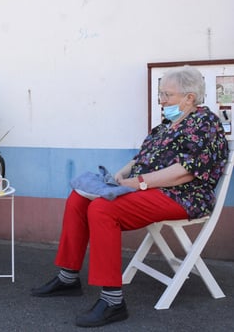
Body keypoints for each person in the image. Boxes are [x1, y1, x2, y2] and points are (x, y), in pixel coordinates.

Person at [30, 66, 228, 327]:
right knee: (80, 197)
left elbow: (184, 173)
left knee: (103, 209)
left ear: (189, 98)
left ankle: (113, 301)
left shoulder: (205, 123)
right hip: (151, 189)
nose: (162, 100)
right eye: (161, 94)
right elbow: (140, 160)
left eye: (167, 94)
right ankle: (68, 278)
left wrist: (139, 183)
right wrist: (117, 178)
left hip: (184, 195)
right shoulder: (166, 126)